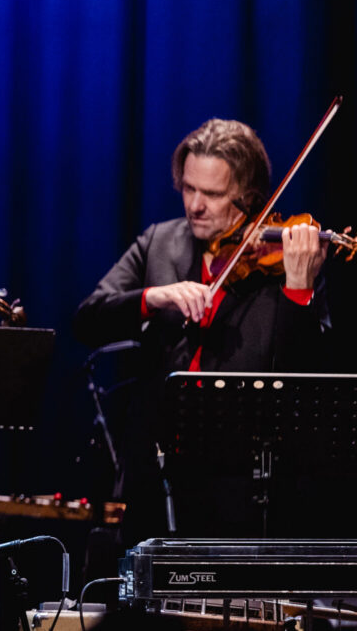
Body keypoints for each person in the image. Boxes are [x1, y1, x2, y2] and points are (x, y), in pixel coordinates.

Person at [73, 117, 330, 537]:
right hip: (155, 477)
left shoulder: (283, 260)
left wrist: (299, 287)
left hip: (241, 489)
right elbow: (88, 319)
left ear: (248, 198)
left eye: (212, 194)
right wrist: (153, 297)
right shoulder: (160, 243)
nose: (194, 205)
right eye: (189, 188)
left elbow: (302, 375)